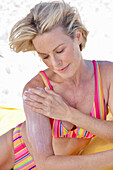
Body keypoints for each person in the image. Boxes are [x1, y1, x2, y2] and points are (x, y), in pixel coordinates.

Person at [1, 1, 113, 169]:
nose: (55, 63)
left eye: (60, 51)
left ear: (78, 36)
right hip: (12, 154)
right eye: (44, 56)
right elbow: (45, 164)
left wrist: (69, 114)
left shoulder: (106, 75)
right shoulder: (36, 89)